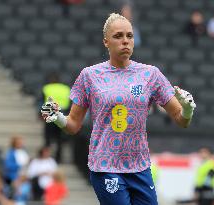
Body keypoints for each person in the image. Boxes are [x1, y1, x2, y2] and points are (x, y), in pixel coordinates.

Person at [41, 13, 196, 205]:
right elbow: (73, 125)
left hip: (139, 166)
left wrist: (187, 109)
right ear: (106, 42)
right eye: (118, 36)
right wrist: (57, 117)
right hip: (106, 166)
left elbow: (181, 119)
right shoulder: (89, 75)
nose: (125, 41)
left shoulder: (150, 74)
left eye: (129, 36)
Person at [40, 73, 71, 163]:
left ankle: (46, 157)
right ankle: (58, 158)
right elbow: (70, 104)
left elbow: (42, 102)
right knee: (60, 138)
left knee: (48, 138)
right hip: (63, 114)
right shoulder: (66, 89)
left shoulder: (46, 88)